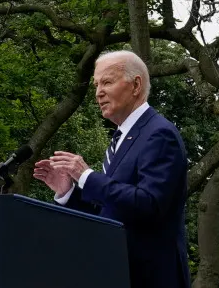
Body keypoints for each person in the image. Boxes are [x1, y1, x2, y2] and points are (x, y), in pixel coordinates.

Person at [34, 49, 191, 288]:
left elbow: (150, 204)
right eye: (96, 85)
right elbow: (110, 213)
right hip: (116, 273)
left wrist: (86, 176)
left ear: (136, 85)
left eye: (107, 82)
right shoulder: (123, 138)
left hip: (151, 277)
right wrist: (68, 191)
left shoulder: (158, 134)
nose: (98, 93)